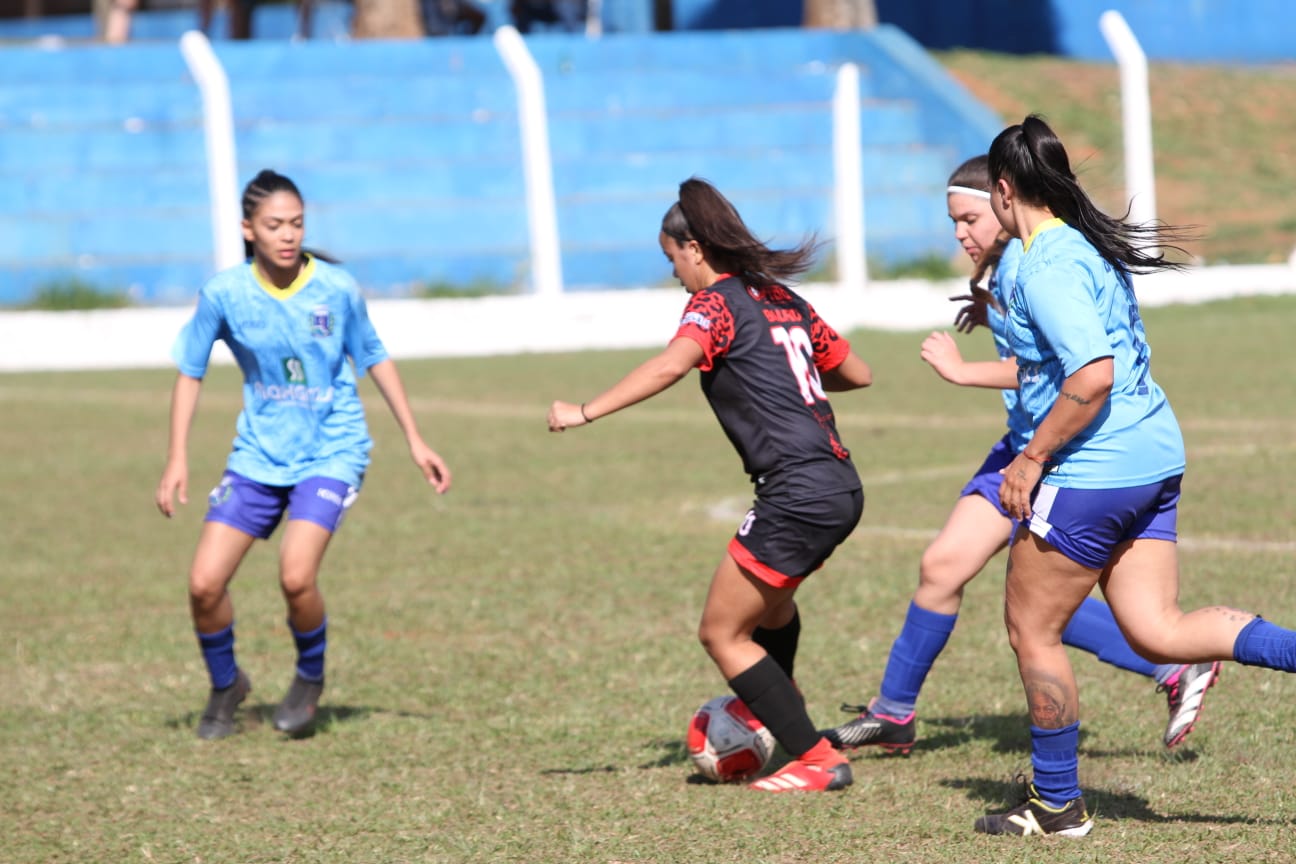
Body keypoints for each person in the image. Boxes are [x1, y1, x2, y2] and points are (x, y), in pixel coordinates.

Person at [821, 155, 1220, 757]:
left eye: (970, 218)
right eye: (953, 221)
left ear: (1006, 202)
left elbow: (1053, 370)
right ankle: (894, 712)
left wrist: (961, 372)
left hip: (1058, 455)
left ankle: (1171, 671)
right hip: (1020, 448)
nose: (961, 233)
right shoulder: (1005, 266)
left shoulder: (1029, 263)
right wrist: (990, 311)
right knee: (944, 568)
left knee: (1034, 608)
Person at [973, 114, 1296, 837]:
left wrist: (1029, 458)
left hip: (1094, 468)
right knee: (1158, 630)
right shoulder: (1070, 246)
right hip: (1150, 459)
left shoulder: (1050, 265)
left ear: (1003, 190)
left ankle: (1057, 804)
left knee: (1033, 630)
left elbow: (1091, 376)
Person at [547, 178, 874, 792]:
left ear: (693, 247)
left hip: (796, 490)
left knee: (721, 633)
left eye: (671, 258)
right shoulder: (783, 299)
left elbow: (673, 362)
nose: (673, 273)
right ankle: (779, 701)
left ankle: (816, 760)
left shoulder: (715, 304)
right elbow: (857, 372)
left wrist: (584, 411)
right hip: (839, 483)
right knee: (772, 607)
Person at [155, 169, 451, 740]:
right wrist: (176, 458)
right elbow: (189, 372)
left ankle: (308, 679)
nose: (287, 235)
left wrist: (416, 439)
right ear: (248, 230)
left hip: (331, 450)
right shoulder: (224, 293)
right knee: (203, 585)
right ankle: (226, 686)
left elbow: (374, 357)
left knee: (296, 578)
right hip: (258, 457)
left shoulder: (336, 288)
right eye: (273, 225)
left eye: (296, 224)